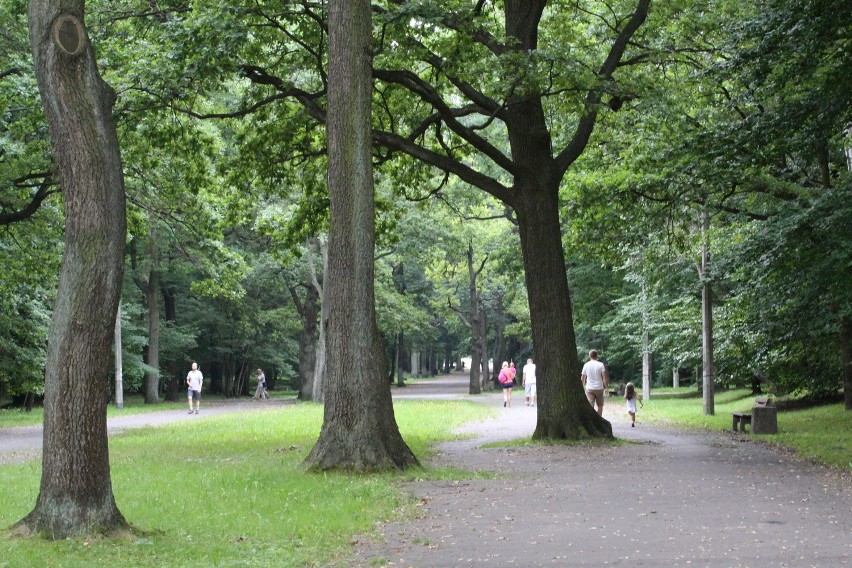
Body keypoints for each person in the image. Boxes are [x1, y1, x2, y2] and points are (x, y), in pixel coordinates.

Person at [581, 350, 609, 416]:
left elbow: (583, 378)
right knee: (600, 406)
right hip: (599, 388)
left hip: (589, 388)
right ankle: (599, 420)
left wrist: (582, 387)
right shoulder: (601, 364)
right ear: (597, 356)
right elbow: (604, 378)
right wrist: (606, 388)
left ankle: (592, 421)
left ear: (589, 356)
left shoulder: (586, 365)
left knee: (590, 406)